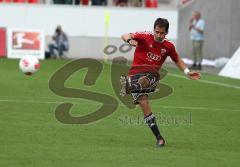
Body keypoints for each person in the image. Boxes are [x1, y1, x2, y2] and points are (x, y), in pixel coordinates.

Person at [120, 18, 201, 147]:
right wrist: (130, 40)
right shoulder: (145, 36)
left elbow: (177, 59)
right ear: (154, 30)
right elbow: (124, 35)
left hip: (152, 77)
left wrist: (187, 71)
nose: (158, 35)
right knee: (144, 103)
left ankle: (131, 86)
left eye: (162, 33)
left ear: (166, 33)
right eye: (157, 32)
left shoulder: (168, 46)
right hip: (135, 74)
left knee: (149, 75)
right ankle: (159, 137)